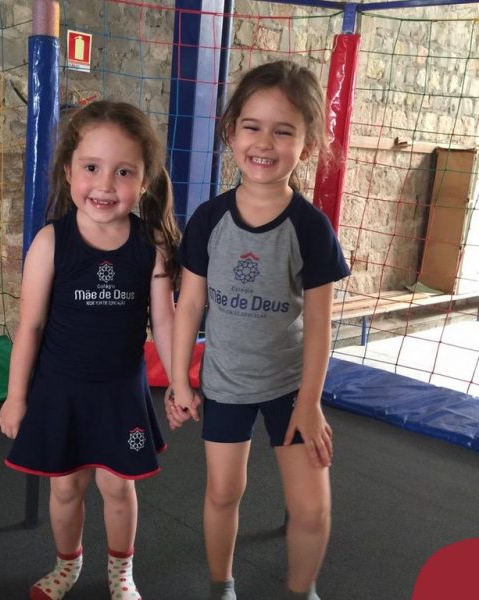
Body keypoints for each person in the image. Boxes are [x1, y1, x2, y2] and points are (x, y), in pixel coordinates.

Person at [167, 60, 351, 600]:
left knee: (312, 508)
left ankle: (301, 590)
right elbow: (190, 303)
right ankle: (221, 585)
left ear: (308, 145)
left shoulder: (309, 228)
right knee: (224, 492)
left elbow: (319, 322)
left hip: (290, 387)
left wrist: (310, 402)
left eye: (284, 131)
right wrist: (179, 380)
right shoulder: (209, 220)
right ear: (231, 132)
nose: (264, 142)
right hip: (226, 384)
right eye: (252, 126)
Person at [0, 100, 180, 600]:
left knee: (118, 487)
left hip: (120, 391)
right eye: (91, 168)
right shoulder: (50, 243)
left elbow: (164, 321)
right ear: (68, 171)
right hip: (60, 390)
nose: (104, 185)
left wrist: (179, 383)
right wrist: (16, 396)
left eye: (123, 171)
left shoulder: (151, 245)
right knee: (65, 487)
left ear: (144, 180)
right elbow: (30, 326)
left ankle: (121, 572)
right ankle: (67, 565)